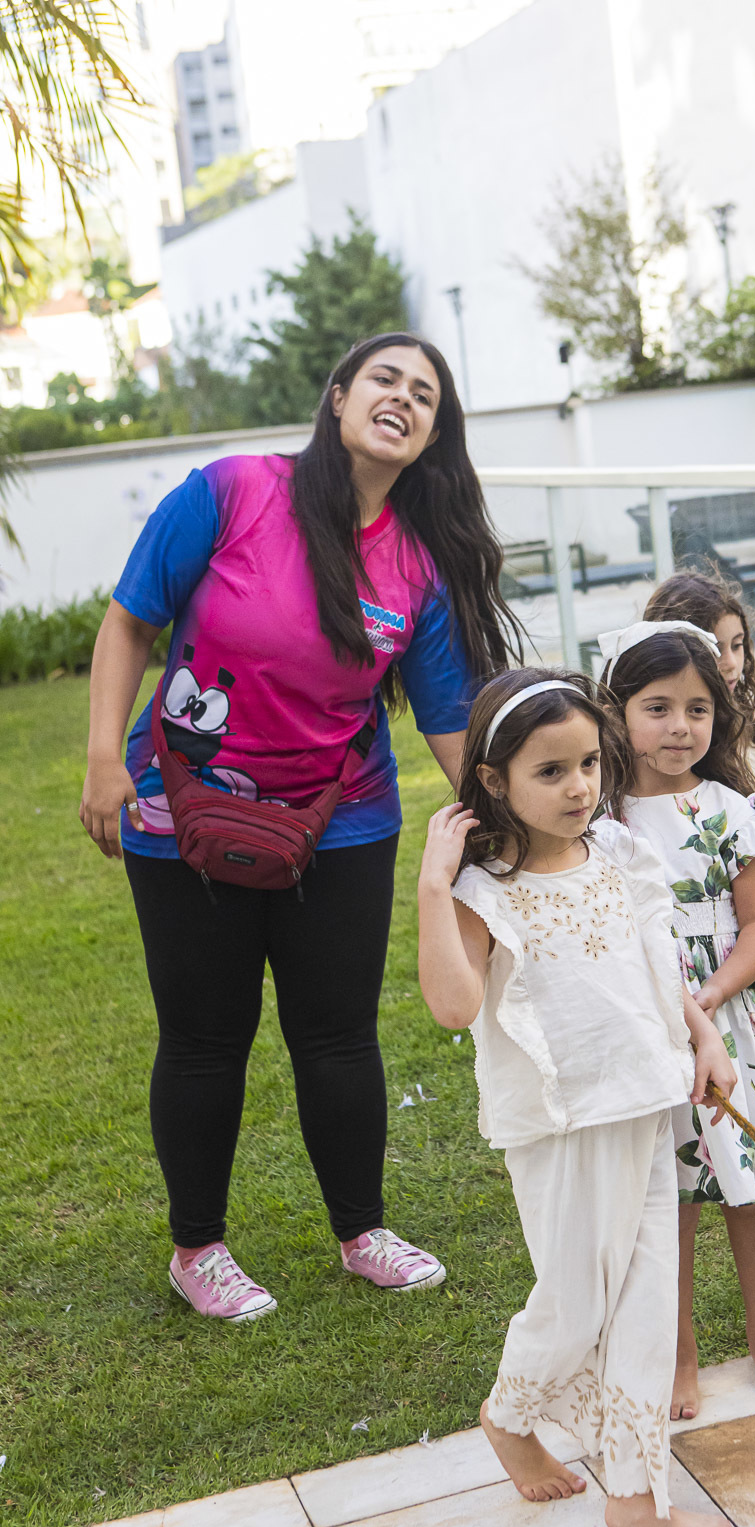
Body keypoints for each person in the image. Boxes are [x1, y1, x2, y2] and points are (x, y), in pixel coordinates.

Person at [80, 332, 520, 1322]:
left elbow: (449, 722)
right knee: (204, 1036)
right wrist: (105, 759)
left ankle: (362, 1233)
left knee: (336, 1034)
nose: (402, 399)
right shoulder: (231, 492)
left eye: (425, 396)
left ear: (433, 435)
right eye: (385, 380)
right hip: (180, 812)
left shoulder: (419, 565)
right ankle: (197, 1250)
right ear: (338, 396)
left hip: (343, 824)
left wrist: (513, 825)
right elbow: (130, 620)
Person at [417, 666, 738, 1527]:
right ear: (494, 781)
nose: (579, 788)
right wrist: (435, 887)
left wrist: (703, 1039)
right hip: (560, 1123)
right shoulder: (485, 893)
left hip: (646, 1099)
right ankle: (509, 1412)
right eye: (551, 771)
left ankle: (635, 1491)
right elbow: (452, 1005)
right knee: (573, 1301)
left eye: (589, 764)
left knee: (646, 1301)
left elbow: (659, 967)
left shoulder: (621, 855)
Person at [601, 620, 755, 1418]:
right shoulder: (602, 825)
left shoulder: (734, 811)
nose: (680, 727)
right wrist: (674, 1006)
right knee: (669, 1194)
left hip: (737, 1016)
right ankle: (681, 1354)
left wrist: (709, 997)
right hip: (649, 1020)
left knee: (750, 1184)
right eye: (658, 707)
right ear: (617, 711)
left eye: (698, 709)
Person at [645, 570, 755, 1223]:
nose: (729, 659)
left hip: (739, 919)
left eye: (738, 644)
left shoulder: (753, 724)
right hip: (679, 940)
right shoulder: (650, 769)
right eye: (714, 644)